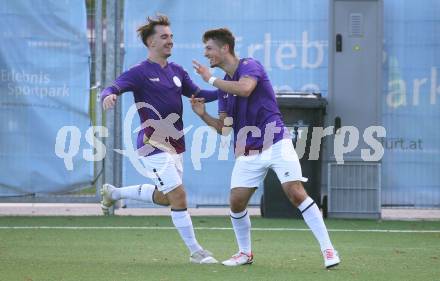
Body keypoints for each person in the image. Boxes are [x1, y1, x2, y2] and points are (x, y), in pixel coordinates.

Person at [190, 28, 340, 268]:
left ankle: (329, 250)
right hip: (247, 150)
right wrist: (203, 115)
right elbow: (225, 128)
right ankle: (245, 253)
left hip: (276, 141)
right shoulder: (223, 88)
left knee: (295, 192)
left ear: (224, 48)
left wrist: (209, 78)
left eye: (209, 48)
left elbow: (246, 88)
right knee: (236, 201)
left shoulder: (250, 65)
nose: (206, 53)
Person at [100, 14, 218, 264]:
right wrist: (108, 95)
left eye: (171, 36)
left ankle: (114, 193)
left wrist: (228, 91)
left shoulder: (177, 71)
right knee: (179, 196)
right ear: (151, 42)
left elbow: (198, 94)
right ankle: (196, 252)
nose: (170, 41)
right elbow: (113, 87)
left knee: (167, 197)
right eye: (164, 37)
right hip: (152, 143)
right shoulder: (140, 72)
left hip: (176, 145)